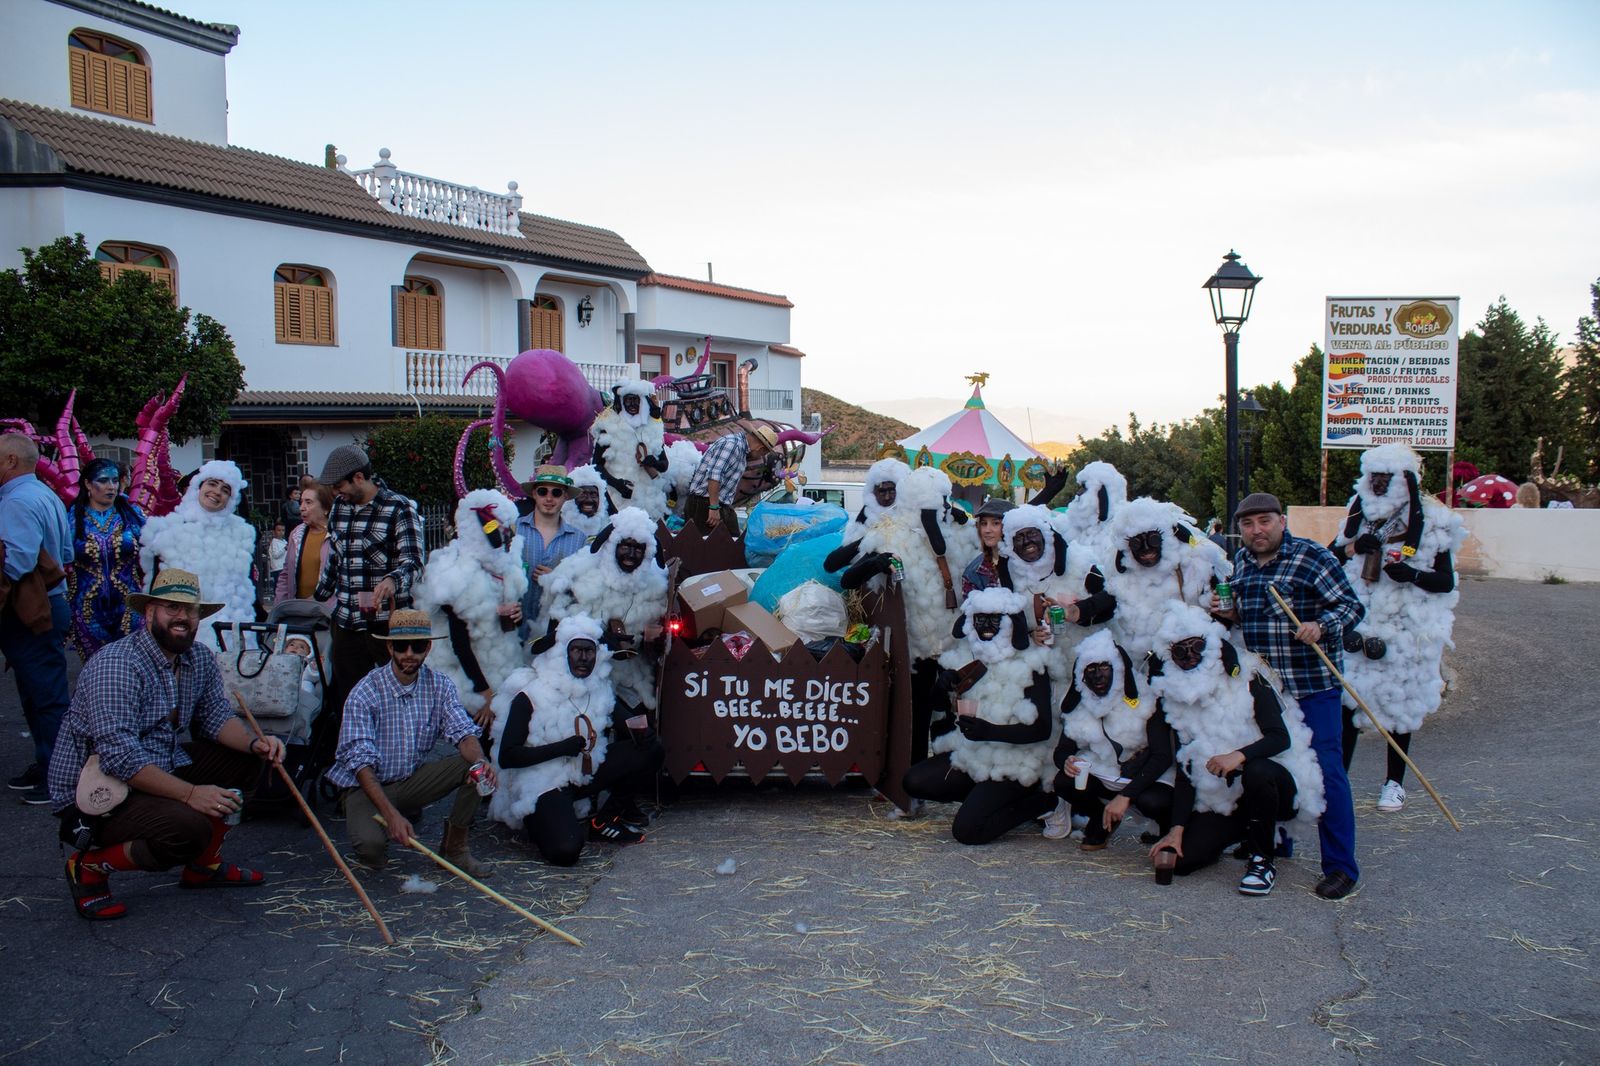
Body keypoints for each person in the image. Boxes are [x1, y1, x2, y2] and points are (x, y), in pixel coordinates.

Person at [47, 569, 286, 920]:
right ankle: (89, 867)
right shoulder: (117, 665)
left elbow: (215, 718)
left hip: (159, 762)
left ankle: (203, 866)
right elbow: (121, 759)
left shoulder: (199, 657)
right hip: (95, 793)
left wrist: (256, 744)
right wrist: (191, 794)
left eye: (190, 610)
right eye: (172, 607)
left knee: (251, 760)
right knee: (188, 828)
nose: (183, 617)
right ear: (149, 613)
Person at [1217, 492, 1364, 900]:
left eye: (1264, 521)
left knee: (1326, 773)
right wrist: (1229, 614)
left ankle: (1340, 867)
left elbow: (1351, 608)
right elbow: (1247, 616)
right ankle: (1278, 843)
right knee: (1272, 764)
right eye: (1248, 524)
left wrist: (1321, 624)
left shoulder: (1313, 557)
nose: (1256, 530)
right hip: (1268, 690)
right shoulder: (1243, 562)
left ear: (1282, 521)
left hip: (1313, 685)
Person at [1145, 604, 1324, 896]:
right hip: (1228, 800)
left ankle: (1262, 860)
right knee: (1182, 862)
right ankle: (1244, 832)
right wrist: (1176, 829)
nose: (1190, 656)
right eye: (1180, 651)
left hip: (1275, 783)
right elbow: (1186, 770)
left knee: (1257, 770)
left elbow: (1280, 738)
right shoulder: (1179, 701)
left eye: (1197, 647)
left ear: (1213, 645)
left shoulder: (1249, 678)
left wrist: (1238, 755)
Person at [1328, 445, 1465, 812]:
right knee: (1349, 699)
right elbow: (1330, 557)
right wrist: (1354, 547)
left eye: (1385, 480)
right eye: (1373, 479)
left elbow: (1445, 581)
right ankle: (1339, 779)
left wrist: (1413, 574)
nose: (1377, 486)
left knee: (1399, 704)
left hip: (1405, 624)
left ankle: (1394, 783)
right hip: (1361, 617)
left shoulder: (1433, 520)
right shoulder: (1357, 514)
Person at [325, 609, 495, 875]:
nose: (409, 654)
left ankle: (455, 849)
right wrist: (391, 815)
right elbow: (360, 763)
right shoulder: (365, 691)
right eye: (401, 646)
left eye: (416, 646)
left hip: (410, 781)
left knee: (475, 767)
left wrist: (482, 762)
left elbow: (463, 732)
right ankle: (378, 820)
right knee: (372, 852)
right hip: (367, 786)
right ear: (389, 646)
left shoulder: (440, 685)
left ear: (427, 648)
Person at [489, 615, 665, 863]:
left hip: (585, 771)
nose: (583, 658)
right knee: (566, 851)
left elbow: (623, 721)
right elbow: (507, 757)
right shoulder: (530, 695)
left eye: (589, 651)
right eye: (576, 651)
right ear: (563, 653)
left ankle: (604, 821)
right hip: (544, 782)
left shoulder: (598, 688)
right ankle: (547, 821)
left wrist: (641, 733)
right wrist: (562, 748)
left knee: (652, 749)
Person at [904, 587, 1058, 844]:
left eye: (994, 619)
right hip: (974, 755)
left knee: (967, 832)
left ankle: (1040, 802)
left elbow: (1042, 728)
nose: (986, 625)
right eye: (980, 619)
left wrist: (991, 731)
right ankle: (984, 799)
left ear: (1010, 623)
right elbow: (939, 707)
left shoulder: (1031, 663)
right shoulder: (965, 657)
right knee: (914, 781)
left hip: (1016, 764)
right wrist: (941, 687)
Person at [310, 445, 425, 770]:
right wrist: (320, 593)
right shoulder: (340, 509)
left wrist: (391, 580)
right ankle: (357, 773)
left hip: (388, 627)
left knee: (395, 703)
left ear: (359, 477)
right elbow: (336, 556)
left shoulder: (399, 508)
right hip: (346, 622)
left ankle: (402, 777)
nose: (335, 493)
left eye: (339, 486)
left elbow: (414, 561)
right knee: (350, 701)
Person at [1059, 496, 1230, 663]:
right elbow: (1104, 602)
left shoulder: (1195, 567)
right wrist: (1073, 611)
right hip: (1152, 668)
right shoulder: (1127, 580)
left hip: (1199, 664)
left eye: (1153, 539)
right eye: (1136, 543)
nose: (1146, 548)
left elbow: (1223, 614)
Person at [1048, 629, 1175, 847]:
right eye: (1091, 669)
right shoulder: (1080, 704)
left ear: (1119, 668)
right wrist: (1066, 761)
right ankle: (1100, 816)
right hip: (1106, 773)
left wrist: (1126, 796)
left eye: (1104, 667)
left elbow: (1162, 756)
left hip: (1145, 776)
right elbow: (1062, 750)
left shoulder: (1147, 698)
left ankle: (1168, 828)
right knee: (1063, 781)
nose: (1097, 675)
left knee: (1153, 803)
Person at [0, 432, 74, 803]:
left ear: (11, 461)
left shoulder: (16, 501)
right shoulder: (46, 494)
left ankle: (59, 776)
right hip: (49, 602)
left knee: (46, 695)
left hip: (32, 606)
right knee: (37, 691)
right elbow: (63, 552)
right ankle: (47, 763)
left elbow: (18, 561)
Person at [538, 506, 669, 714]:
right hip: (580, 675)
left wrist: (648, 639)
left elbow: (654, 641)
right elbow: (557, 629)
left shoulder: (654, 588)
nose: (631, 554)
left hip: (629, 674)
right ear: (612, 545)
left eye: (638, 548)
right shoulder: (583, 576)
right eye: (625, 546)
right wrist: (604, 639)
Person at [412, 489, 528, 725]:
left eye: (507, 531)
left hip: (501, 662)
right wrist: (483, 690)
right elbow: (460, 642)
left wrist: (518, 615)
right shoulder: (455, 575)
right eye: (498, 530)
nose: (504, 538)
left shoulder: (505, 567)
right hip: (469, 677)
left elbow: (509, 622)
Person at [138, 459, 258, 650]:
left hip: (231, 631)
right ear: (198, 486)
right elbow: (154, 588)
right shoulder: (167, 530)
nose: (217, 492)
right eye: (212, 484)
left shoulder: (242, 533)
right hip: (180, 629)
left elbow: (246, 588)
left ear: (231, 499)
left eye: (225, 490)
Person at [65, 457, 147, 660]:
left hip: (129, 606)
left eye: (114, 480)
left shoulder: (131, 514)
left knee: (129, 665)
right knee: (95, 667)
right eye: (103, 480)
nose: (111, 486)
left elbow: (156, 547)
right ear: (87, 484)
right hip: (86, 608)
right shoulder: (73, 518)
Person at [515, 466, 587, 630]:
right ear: (534, 493)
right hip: (512, 634)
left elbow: (584, 591)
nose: (549, 498)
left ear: (565, 497)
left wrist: (558, 580)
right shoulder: (513, 529)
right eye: (542, 491)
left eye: (556, 493)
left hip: (553, 635)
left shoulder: (579, 540)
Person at [591, 381, 672, 519]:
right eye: (629, 400)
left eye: (636, 400)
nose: (633, 405)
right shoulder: (608, 428)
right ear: (622, 402)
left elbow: (664, 465)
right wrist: (617, 484)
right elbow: (596, 466)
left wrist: (654, 462)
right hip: (618, 500)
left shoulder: (653, 428)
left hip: (650, 502)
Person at [683, 425, 777, 536]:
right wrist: (713, 507)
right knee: (710, 547)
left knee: (733, 544)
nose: (760, 457)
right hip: (705, 503)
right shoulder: (732, 445)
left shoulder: (740, 450)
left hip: (719, 504)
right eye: (763, 453)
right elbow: (714, 475)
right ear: (760, 448)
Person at [273, 477, 335, 611]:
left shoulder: (338, 536)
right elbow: (286, 574)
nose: (301, 508)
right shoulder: (296, 534)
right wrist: (278, 609)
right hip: (297, 612)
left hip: (328, 613)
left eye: (308, 502)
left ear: (325, 508)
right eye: (301, 502)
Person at [961, 498, 1014, 597]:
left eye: (996, 523)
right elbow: (972, 610)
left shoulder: (1026, 563)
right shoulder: (973, 572)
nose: (987, 530)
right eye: (984, 523)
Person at [562, 465, 613, 540]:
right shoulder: (560, 526)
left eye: (593, 495)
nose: (589, 500)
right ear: (571, 499)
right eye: (582, 494)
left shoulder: (608, 529)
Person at [265, 520, 288, 594]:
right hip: (278, 568)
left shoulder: (284, 541)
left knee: (284, 587)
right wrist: (285, 548)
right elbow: (275, 555)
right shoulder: (274, 542)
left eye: (283, 530)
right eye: (279, 530)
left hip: (284, 567)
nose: (281, 532)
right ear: (274, 531)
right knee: (279, 587)